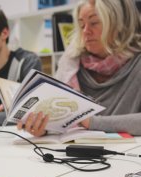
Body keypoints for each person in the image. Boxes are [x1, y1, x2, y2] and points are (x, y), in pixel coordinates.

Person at [18, 0, 141, 136]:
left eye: (94, 23)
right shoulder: (71, 63)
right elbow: (57, 116)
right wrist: (44, 127)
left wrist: (92, 122)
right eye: (81, 25)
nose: (86, 31)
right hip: (71, 150)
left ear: (118, 24)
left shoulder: (137, 64)